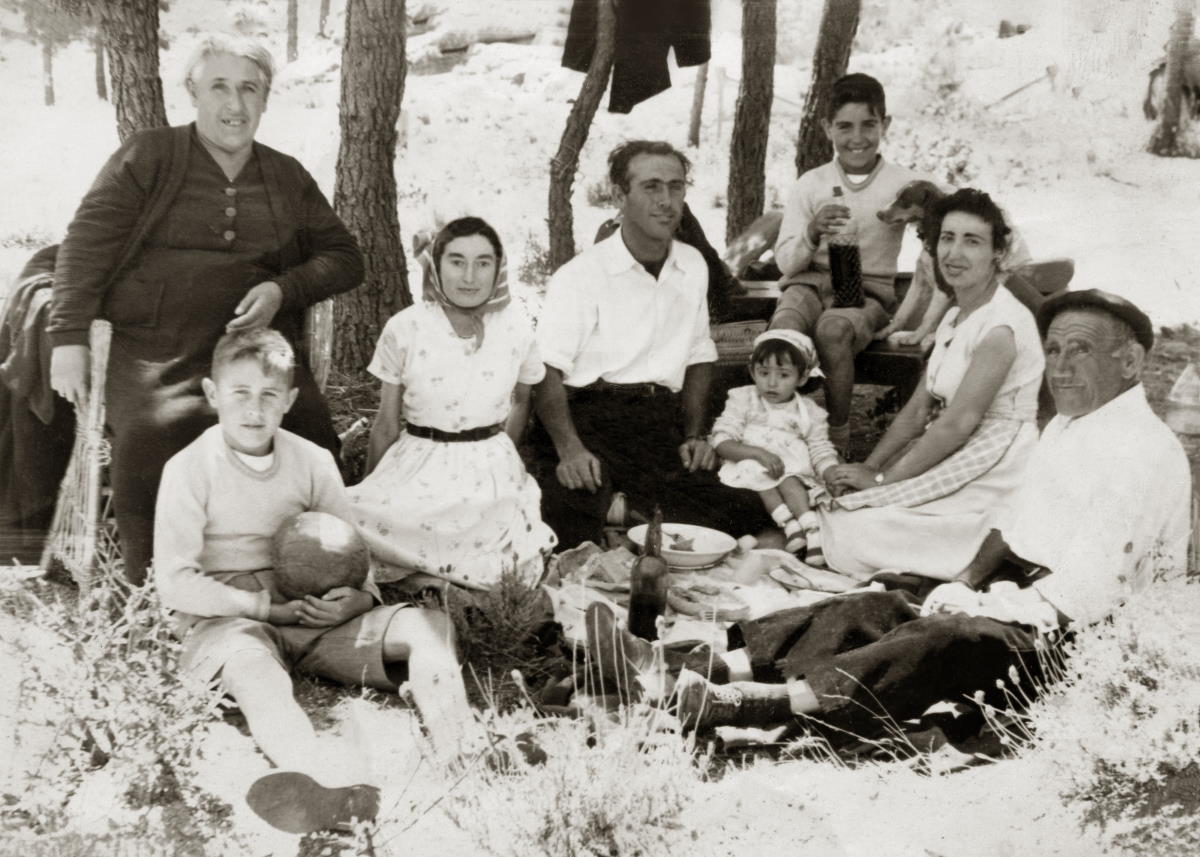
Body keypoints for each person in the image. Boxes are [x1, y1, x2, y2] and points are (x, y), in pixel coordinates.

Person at [588, 288, 1191, 740]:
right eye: (1054, 349)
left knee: (946, 635)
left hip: (1085, 645)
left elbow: (1085, 600)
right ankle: (697, 663)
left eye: (1079, 352)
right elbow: (1015, 527)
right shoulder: (1069, 422)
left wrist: (978, 605)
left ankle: (751, 704)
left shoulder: (1138, 451)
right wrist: (963, 583)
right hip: (1032, 602)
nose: (1059, 367)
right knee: (882, 597)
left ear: (1132, 363)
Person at [47, 34, 362, 584]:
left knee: (309, 431)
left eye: (250, 89)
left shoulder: (286, 175)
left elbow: (346, 258)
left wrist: (283, 291)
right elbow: (86, 243)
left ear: (265, 100)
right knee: (155, 430)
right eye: (220, 87)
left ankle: (304, 570)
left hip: (251, 354)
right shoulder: (149, 155)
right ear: (192, 90)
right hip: (153, 350)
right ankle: (153, 583)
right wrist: (67, 336)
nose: (234, 105)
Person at [155, 329, 489, 834]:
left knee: (427, 625)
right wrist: (264, 609)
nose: (253, 409)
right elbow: (176, 583)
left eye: (268, 395)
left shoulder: (312, 461)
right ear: (211, 394)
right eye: (239, 393)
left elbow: (351, 550)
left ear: (289, 400)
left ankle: (462, 750)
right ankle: (313, 780)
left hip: (311, 611)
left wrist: (357, 599)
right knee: (254, 671)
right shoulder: (188, 469)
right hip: (230, 619)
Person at [531, 140, 773, 550]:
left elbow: (699, 356)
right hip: (590, 417)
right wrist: (570, 450)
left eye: (675, 187)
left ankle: (627, 511)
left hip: (659, 422)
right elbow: (545, 372)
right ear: (619, 195)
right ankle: (619, 511)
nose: (666, 201)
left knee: (743, 510)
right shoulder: (581, 276)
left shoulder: (692, 265)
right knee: (564, 517)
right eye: (651, 187)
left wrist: (696, 435)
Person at [814, 189, 1045, 581]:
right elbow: (920, 408)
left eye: (972, 241)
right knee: (847, 504)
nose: (954, 254)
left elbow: (958, 423)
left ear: (997, 253)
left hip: (996, 462)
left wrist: (884, 480)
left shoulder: (1001, 326)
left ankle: (950, 567)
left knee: (856, 525)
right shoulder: (957, 314)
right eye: (947, 238)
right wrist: (870, 467)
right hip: (960, 446)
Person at [347, 217, 556, 589]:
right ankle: (433, 581)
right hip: (418, 459)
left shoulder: (516, 329)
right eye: (457, 261)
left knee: (504, 552)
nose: (470, 277)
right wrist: (372, 486)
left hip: (487, 465)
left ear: (498, 267)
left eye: (483, 263)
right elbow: (386, 424)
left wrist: (502, 456)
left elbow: (522, 400)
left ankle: (431, 581)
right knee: (351, 520)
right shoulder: (405, 327)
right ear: (436, 264)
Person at [770, 73, 935, 454]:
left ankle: (836, 438)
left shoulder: (905, 184)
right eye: (844, 126)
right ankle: (776, 429)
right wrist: (812, 231)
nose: (856, 138)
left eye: (869, 125)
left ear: (885, 125)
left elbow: (945, 219)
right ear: (827, 127)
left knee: (833, 330)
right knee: (783, 331)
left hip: (868, 291)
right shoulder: (811, 184)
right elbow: (786, 263)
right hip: (808, 283)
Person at [709, 329, 839, 564]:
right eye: (763, 372)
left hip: (792, 471)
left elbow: (820, 448)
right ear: (752, 371)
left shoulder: (809, 412)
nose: (771, 383)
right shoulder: (744, 399)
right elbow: (721, 440)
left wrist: (831, 471)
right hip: (750, 468)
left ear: (801, 378)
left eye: (783, 375)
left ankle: (812, 532)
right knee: (757, 473)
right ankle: (789, 526)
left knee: (790, 480)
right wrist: (758, 454)